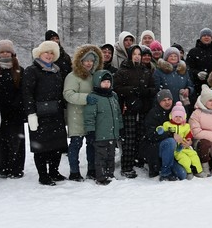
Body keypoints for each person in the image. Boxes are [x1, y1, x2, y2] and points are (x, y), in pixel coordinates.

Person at [23, 40, 68, 185]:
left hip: (56, 113)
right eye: (46, 52)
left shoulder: (57, 70)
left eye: (52, 53)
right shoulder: (32, 70)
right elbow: (27, 93)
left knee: (56, 145)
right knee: (41, 147)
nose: (49, 55)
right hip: (40, 114)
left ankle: (54, 172)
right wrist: (31, 113)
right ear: (39, 53)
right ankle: (43, 175)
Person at [114, 44, 157, 176]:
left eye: (139, 54)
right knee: (129, 138)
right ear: (130, 55)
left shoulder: (146, 71)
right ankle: (126, 166)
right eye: (134, 54)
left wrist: (145, 91)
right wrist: (131, 90)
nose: (137, 57)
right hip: (129, 108)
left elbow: (153, 88)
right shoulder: (122, 71)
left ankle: (139, 161)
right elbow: (117, 88)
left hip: (143, 108)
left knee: (141, 136)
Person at [64, 44, 104, 180]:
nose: (89, 63)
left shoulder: (95, 76)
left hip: (91, 117)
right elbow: (68, 94)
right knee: (76, 144)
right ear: (80, 61)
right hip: (77, 116)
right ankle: (74, 171)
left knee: (91, 144)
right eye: (86, 60)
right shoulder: (73, 76)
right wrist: (86, 98)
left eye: (91, 60)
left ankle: (91, 170)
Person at [0, 40, 26, 179]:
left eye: (7, 51)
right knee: (0, 141)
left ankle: (16, 168)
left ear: (12, 53)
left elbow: (23, 90)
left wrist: (16, 105)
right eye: (2, 52)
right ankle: (3, 167)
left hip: (16, 112)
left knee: (17, 141)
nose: (5, 54)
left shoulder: (20, 70)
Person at [83, 70, 122, 185]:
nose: (106, 84)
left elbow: (118, 114)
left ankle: (110, 174)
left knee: (111, 156)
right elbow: (89, 116)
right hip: (100, 134)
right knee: (101, 157)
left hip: (112, 134)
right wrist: (90, 131)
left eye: (108, 82)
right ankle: (101, 177)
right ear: (97, 82)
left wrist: (120, 127)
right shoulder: (94, 98)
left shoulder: (113, 96)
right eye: (104, 82)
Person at [160, 101, 206, 179]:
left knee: (194, 155)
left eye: (180, 116)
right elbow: (162, 130)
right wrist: (160, 129)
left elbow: (189, 134)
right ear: (171, 116)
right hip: (176, 150)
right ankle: (189, 172)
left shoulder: (186, 126)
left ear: (184, 117)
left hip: (185, 146)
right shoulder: (167, 124)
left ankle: (198, 171)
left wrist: (188, 140)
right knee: (185, 159)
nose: (178, 118)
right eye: (176, 116)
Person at [189, 85, 212, 175]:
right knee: (204, 143)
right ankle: (205, 167)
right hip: (201, 142)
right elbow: (196, 132)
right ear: (204, 102)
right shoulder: (196, 114)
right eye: (210, 100)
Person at [186, 28, 212, 94]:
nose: (206, 37)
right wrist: (197, 73)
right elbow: (188, 68)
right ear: (200, 38)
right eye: (204, 35)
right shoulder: (193, 52)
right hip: (198, 86)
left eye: (208, 35)